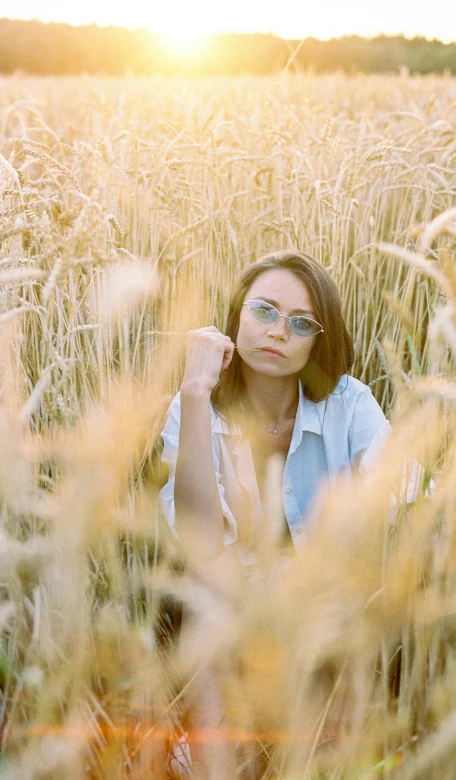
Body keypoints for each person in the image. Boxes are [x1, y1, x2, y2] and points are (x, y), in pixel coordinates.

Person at [159, 250, 392, 779]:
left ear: (317, 340)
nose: (278, 332)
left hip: (320, 604)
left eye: (300, 323)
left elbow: (397, 484)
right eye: (264, 311)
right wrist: (195, 391)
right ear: (237, 314)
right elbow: (200, 540)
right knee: (209, 601)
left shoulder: (349, 404)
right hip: (227, 605)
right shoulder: (193, 407)